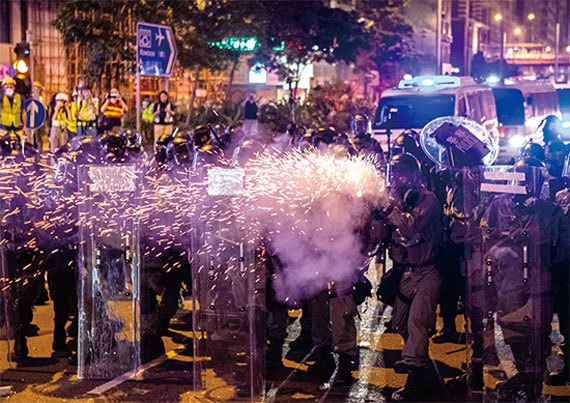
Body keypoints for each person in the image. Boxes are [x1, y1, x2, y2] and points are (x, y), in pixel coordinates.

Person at [375, 153, 443, 402]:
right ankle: (417, 361)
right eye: (394, 173)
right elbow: (381, 235)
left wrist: (392, 209)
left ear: (415, 174)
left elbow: (410, 226)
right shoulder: (396, 199)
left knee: (417, 323)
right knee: (400, 324)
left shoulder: (428, 199)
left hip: (427, 271)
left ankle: (417, 379)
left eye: (402, 172)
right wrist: (377, 215)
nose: (397, 178)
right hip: (406, 271)